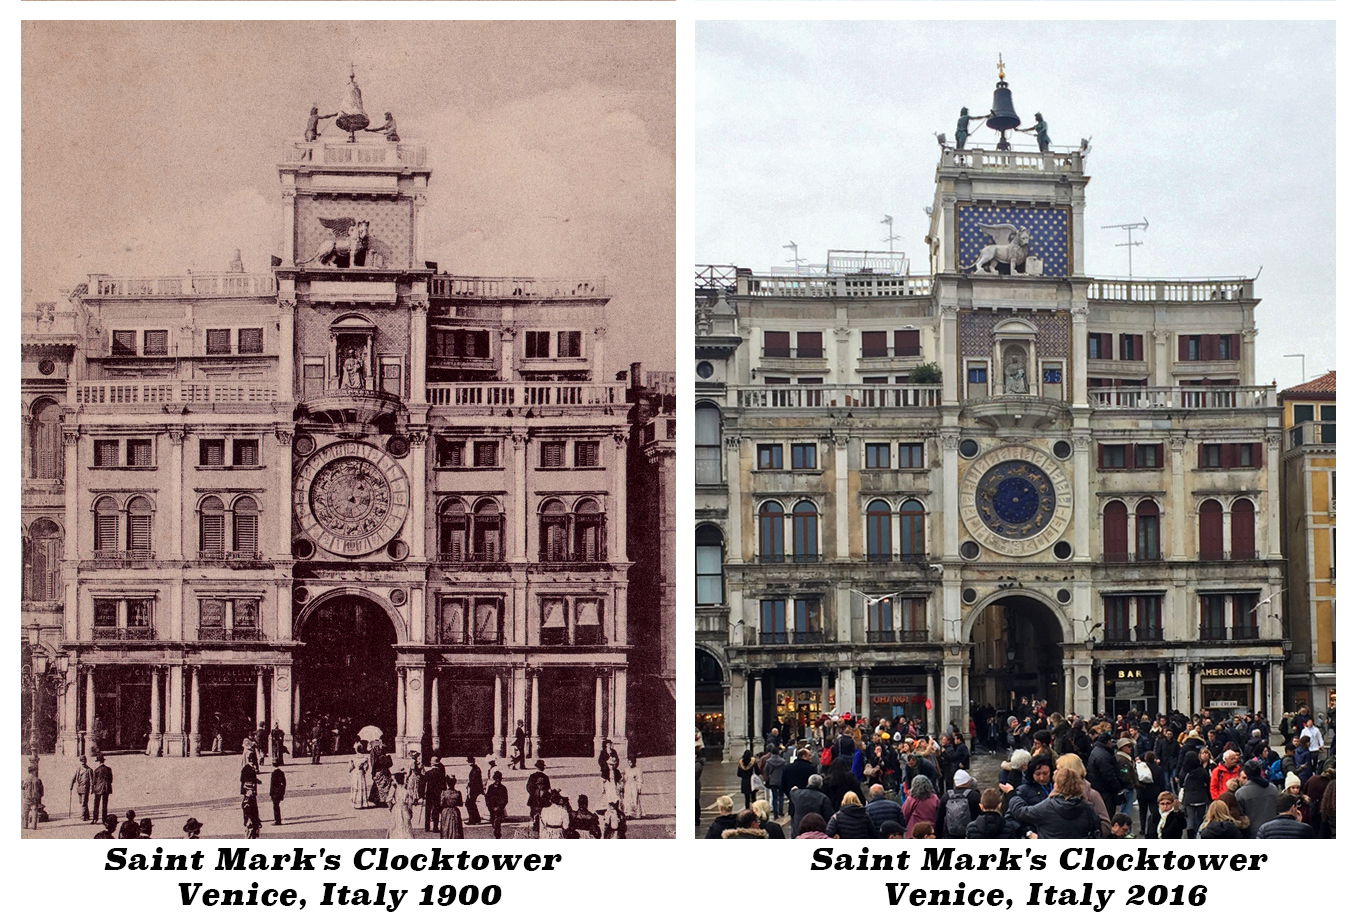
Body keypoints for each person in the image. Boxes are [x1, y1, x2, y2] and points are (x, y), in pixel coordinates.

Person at [1013, 768, 1100, 839]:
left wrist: (1012, 795)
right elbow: (1097, 830)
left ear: (1057, 785)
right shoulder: (1087, 808)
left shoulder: (1048, 806)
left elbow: (1021, 812)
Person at [1234, 759, 1278, 837]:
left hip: (1252, 833)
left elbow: (1240, 817)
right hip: (1273, 831)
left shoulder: (1241, 793)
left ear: (1246, 773)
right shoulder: (1273, 789)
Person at [421, 757, 446, 833]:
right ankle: (435, 827)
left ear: (432, 763)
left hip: (429, 793)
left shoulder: (428, 773)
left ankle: (427, 827)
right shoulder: (440, 773)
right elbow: (443, 785)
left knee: (428, 810)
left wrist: (422, 795)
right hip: (437, 793)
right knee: (436, 809)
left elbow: (423, 784)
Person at [526, 760, 551, 833]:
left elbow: (528, 788)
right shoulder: (545, 777)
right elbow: (548, 789)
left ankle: (535, 829)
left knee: (534, 815)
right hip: (543, 800)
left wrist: (533, 794)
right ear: (543, 767)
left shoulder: (532, 776)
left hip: (533, 800)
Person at [387, 772, 415, 840]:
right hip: (405, 808)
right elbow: (411, 800)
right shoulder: (407, 787)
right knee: (406, 826)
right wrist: (410, 809)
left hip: (396, 808)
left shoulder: (394, 787)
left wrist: (391, 806)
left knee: (396, 825)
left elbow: (388, 800)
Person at [485, 770, 509, 839]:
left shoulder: (503, 788)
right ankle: (496, 833)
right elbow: (487, 798)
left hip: (499, 809)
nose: (498, 780)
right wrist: (491, 807)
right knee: (493, 822)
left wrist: (499, 807)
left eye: (499, 779)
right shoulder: (490, 787)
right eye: (496, 779)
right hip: (492, 809)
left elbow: (505, 799)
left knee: (497, 823)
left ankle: (497, 836)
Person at [91, 755, 113, 824]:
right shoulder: (109, 769)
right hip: (106, 788)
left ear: (99, 762)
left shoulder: (96, 770)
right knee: (105, 804)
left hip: (98, 789)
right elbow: (111, 779)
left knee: (96, 804)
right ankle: (104, 819)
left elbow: (94, 781)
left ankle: (95, 819)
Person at [463, 756, 484, 826]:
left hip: (473, 789)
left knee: (468, 803)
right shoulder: (476, 769)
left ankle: (472, 819)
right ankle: (477, 818)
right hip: (475, 789)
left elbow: (473, 781)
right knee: (471, 803)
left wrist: (468, 786)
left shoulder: (475, 770)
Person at [348, 742, 370, 809]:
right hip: (361, 772)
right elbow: (366, 767)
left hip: (355, 772)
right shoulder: (365, 758)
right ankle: (363, 803)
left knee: (356, 786)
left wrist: (350, 771)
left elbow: (350, 767)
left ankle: (355, 802)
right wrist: (364, 770)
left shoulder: (353, 758)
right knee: (361, 785)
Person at [71, 756, 93, 822]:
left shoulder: (89, 770)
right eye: (81, 761)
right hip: (79, 788)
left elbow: (92, 780)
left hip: (86, 788)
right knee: (82, 802)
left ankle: (83, 816)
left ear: (86, 761)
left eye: (84, 761)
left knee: (83, 802)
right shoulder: (78, 769)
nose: (83, 762)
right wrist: (71, 785)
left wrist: (92, 788)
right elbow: (74, 777)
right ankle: (87, 815)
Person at [22, 765, 43, 830]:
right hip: (34, 798)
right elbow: (41, 790)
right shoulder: (37, 780)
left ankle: (25, 825)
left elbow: (23, 788)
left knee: (25, 812)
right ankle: (34, 826)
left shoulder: (26, 779)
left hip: (27, 798)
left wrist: (24, 796)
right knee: (34, 812)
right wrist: (39, 796)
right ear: (33, 771)